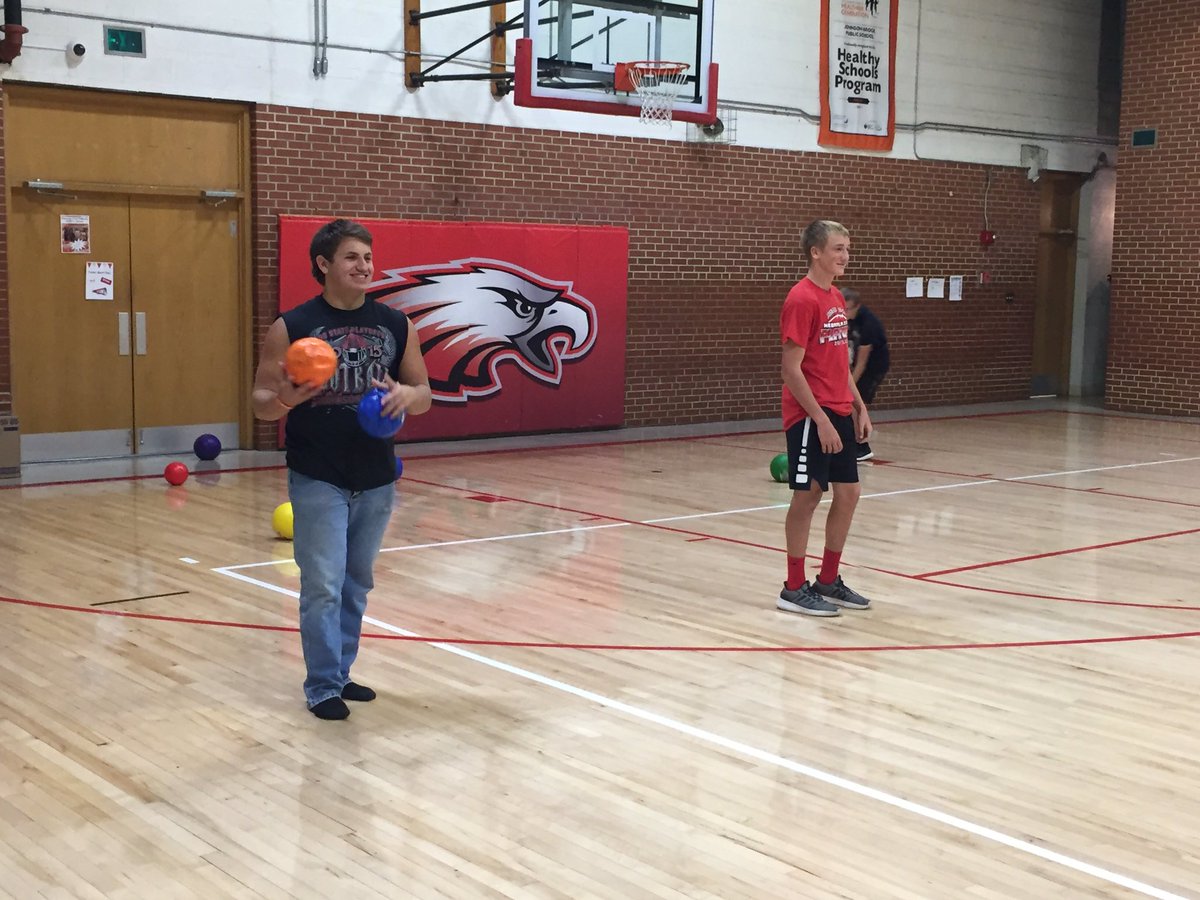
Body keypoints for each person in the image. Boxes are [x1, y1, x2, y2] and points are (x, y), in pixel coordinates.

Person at [252, 218, 432, 720]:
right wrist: (286, 397)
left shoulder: (397, 325)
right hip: (317, 473)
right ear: (323, 264)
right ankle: (322, 686)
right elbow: (261, 403)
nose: (365, 266)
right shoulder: (292, 326)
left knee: (356, 582)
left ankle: (341, 673)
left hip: (375, 474)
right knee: (323, 584)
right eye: (352, 257)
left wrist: (405, 395)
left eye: (368, 258)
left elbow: (424, 395)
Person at [776, 220, 873, 617]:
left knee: (849, 493)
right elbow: (791, 369)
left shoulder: (834, 297)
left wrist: (859, 405)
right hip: (808, 416)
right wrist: (820, 419)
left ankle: (828, 580)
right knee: (809, 495)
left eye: (847, 248)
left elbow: (835, 362)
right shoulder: (801, 299)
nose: (845, 256)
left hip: (837, 410)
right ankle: (793, 586)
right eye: (837, 248)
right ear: (816, 252)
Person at [843, 287, 890, 461]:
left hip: (873, 367)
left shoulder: (868, 324)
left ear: (857, 307)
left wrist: (849, 385)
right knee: (851, 403)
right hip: (857, 365)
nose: (843, 312)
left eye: (847, 309)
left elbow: (862, 362)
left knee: (856, 403)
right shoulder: (847, 320)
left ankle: (861, 447)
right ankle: (853, 443)